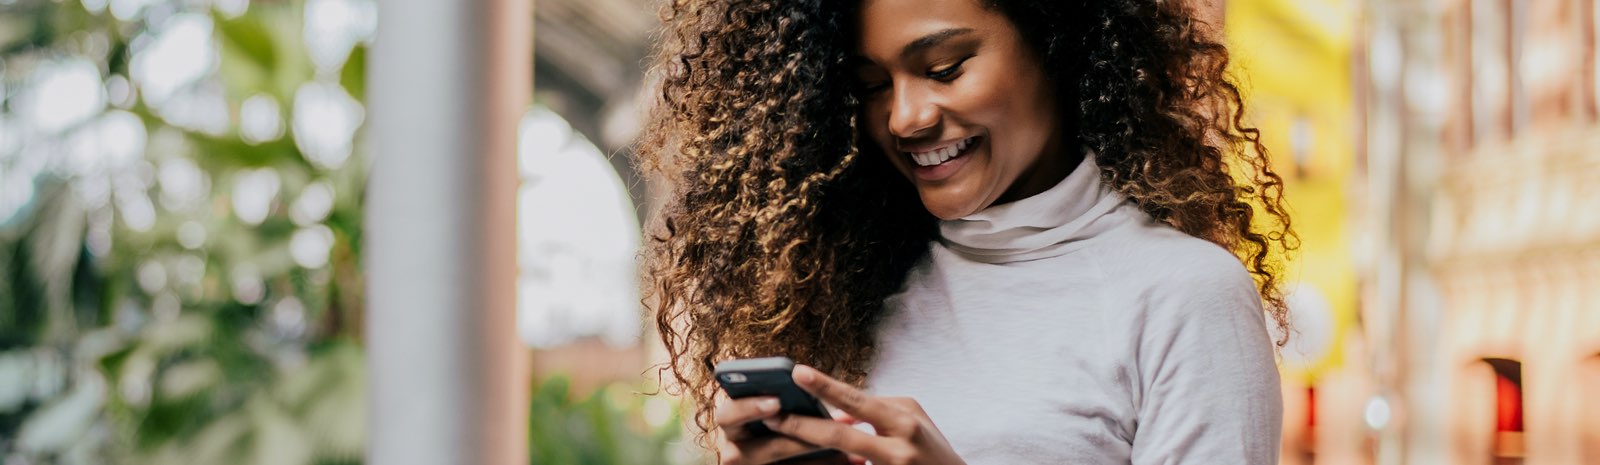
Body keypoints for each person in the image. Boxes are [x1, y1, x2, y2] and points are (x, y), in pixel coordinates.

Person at [637, 0, 1297, 463]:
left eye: (944, 67)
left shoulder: (1184, 297)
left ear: (1055, 40)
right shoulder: (839, 293)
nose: (904, 117)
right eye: (872, 85)